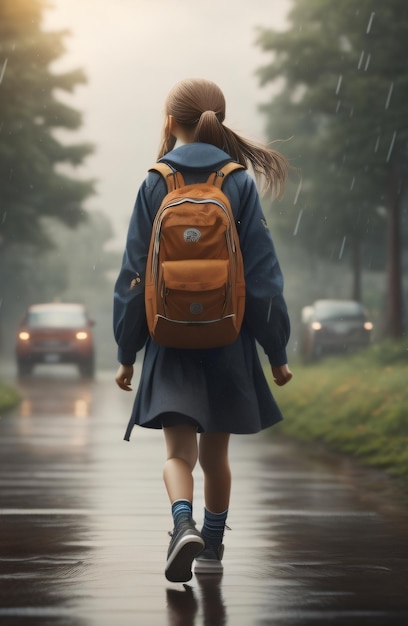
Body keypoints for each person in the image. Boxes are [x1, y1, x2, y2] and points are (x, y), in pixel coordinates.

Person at [113, 78, 293, 583]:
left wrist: (127, 350)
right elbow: (262, 280)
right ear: (219, 119)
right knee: (217, 457)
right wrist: (276, 351)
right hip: (228, 338)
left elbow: (133, 276)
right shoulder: (237, 183)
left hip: (170, 339)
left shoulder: (155, 183)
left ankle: (181, 524)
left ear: (170, 122)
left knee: (178, 455)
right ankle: (211, 547)